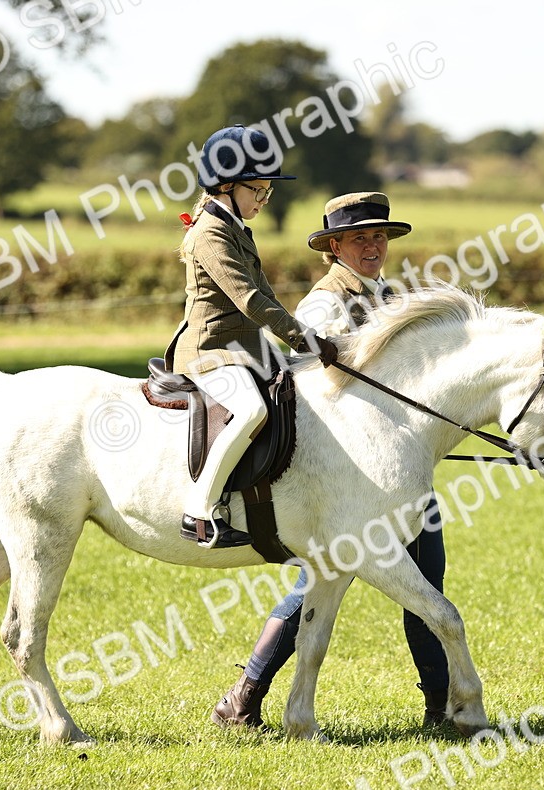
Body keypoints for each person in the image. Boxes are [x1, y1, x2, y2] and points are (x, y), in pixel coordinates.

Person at [209, 192, 452, 728]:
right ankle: (245, 694)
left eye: (379, 236)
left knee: (425, 580)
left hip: (399, 468)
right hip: (347, 474)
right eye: (360, 238)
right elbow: (311, 384)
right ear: (335, 247)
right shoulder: (325, 304)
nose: (373, 246)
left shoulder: (390, 296)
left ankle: (440, 704)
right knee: (325, 582)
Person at [172, 124, 338, 548]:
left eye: (268, 191)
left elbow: (267, 296)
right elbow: (249, 300)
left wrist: (303, 341)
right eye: (258, 190)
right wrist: (304, 340)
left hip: (245, 349)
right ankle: (199, 512)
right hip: (210, 349)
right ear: (225, 185)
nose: (264, 200)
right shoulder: (209, 233)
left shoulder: (236, 228)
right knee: (251, 411)